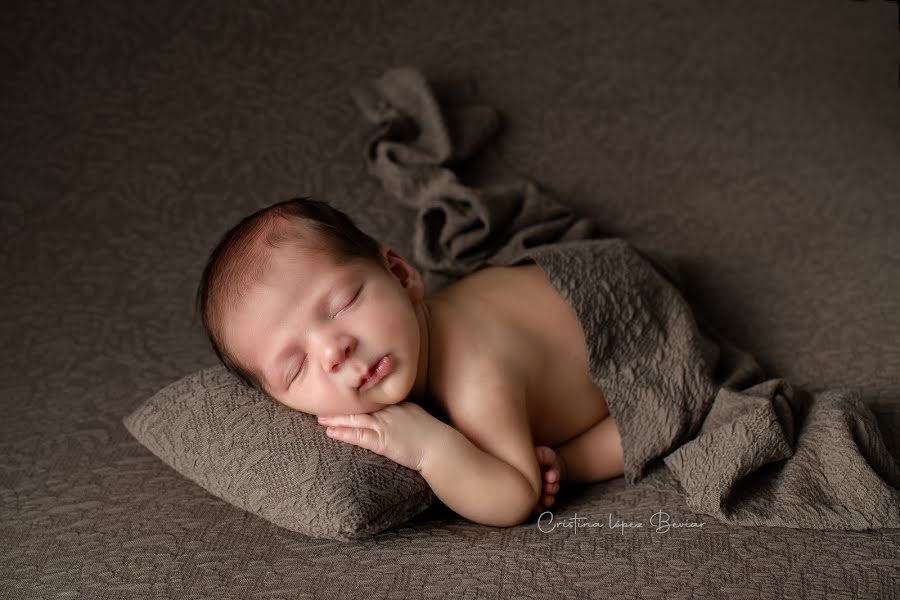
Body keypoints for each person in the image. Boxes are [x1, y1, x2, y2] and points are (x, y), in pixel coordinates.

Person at [196, 197, 624, 527]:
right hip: (547, 290)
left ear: (400, 275)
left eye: (343, 303)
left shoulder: (475, 375)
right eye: (296, 367)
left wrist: (428, 447)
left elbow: (515, 497)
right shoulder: (414, 335)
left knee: (630, 433)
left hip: (627, 326)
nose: (332, 350)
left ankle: (572, 461)